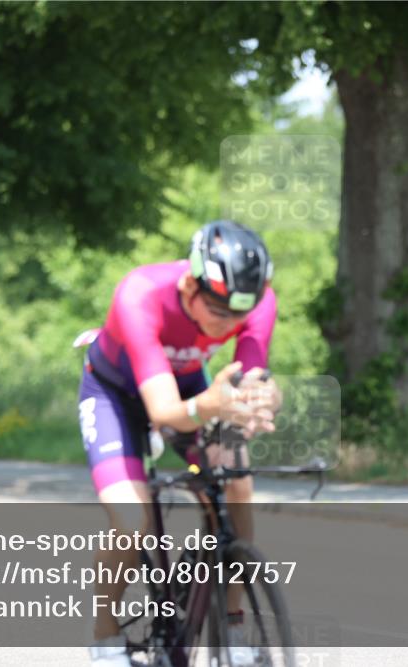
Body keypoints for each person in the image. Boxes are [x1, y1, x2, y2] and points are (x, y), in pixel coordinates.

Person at [78, 220, 280, 667]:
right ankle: (104, 631)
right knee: (132, 519)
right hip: (115, 396)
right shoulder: (140, 295)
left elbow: (250, 378)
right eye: (219, 312)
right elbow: (165, 412)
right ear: (191, 284)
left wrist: (264, 396)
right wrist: (212, 403)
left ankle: (231, 625)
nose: (229, 324)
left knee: (237, 480)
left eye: (239, 316)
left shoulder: (258, 302)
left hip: (187, 389)